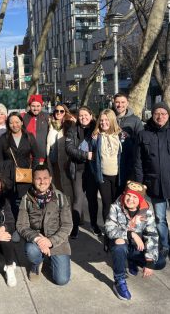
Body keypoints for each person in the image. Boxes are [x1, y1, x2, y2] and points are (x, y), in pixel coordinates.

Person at [134, 102, 170, 268]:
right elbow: (138, 162)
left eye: (164, 113)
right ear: (152, 115)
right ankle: (164, 246)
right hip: (155, 184)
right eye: (157, 113)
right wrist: (141, 185)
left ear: (169, 115)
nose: (160, 117)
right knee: (160, 219)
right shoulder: (144, 134)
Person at [16, 165, 73, 285]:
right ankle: (36, 264)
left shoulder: (60, 197)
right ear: (33, 180)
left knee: (62, 280)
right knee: (31, 251)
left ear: (50, 179)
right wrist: (38, 239)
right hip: (36, 241)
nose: (42, 181)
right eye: (38, 178)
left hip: (57, 241)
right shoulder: (26, 199)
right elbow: (21, 225)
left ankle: (51, 259)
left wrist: (50, 241)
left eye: (45, 178)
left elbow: (67, 225)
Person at [105, 181, 159, 300]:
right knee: (120, 245)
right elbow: (109, 229)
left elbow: (152, 234)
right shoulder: (115, 207)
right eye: (128, 195)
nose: (130, 199)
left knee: (159, 263)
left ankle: (132, 260)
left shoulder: (148, 212)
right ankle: (119, 281)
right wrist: (131, 234)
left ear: (140, 199)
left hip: (136, 247)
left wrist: (150, 261)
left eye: (135, 197)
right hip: (121, 243)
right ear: (124, 194)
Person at [0, 112, 39, 224]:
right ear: (8, 124)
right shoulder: (4, 138)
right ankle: (14, 225)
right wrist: (2, 174)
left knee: (25, 201)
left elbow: (36, 156)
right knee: (11, 202)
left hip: (25, 175)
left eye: (17, 122)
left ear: (21, 122)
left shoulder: (29, 137)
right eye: (11, 122)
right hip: (9, 176)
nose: (14, 125)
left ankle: (26, 225)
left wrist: (33, 171)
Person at [90, 109, 122, 247]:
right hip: (103, 177)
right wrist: (97, 173)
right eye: (101, 120)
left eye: (106, 120)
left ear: (112, 120)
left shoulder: (121, 136)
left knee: (119, 207)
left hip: (118, 177)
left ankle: (119, 234)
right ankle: (108, 235)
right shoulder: (96, 137)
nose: (103, 122)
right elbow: (92, 158)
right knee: (107, 207)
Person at [64, 106, 97, 238]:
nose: (83, 118)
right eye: (81, 115)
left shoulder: (96, 128)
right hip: (78, 169)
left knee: (92, 199)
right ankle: (75, 227)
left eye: (86, 115)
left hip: (93, 170)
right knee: (78, 199)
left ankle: (94, 225)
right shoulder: (72, 130)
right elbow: (69, 148)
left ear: (91, 115)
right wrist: (85, 155)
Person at [113, 93, 143, 190]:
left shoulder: (135, 120)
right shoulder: (109, 118)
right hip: (112, 163)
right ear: (113, 103)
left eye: (123, 102)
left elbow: (141, 140)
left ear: (127, 103)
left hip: (129, 163)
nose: (120, 105)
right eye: (117, 102)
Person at [46, 104, 74, 198]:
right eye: (56, 111)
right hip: (52, 161)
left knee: (67, 188)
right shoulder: (50, 124)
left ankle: (69, 210)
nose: (58, 113)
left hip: (65, 161)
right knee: (55, 187)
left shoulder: (70, 124)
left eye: (61, 111)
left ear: (65, 112)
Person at [23, 94, 49, 163]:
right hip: (28, 157)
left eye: (38, 106)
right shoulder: (24, 117)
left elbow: (59, 119)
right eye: (33, 106)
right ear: (29, 106)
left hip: (43, 156)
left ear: (41, 106)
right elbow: (11, 120)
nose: (35, 108)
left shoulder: (47, 117)